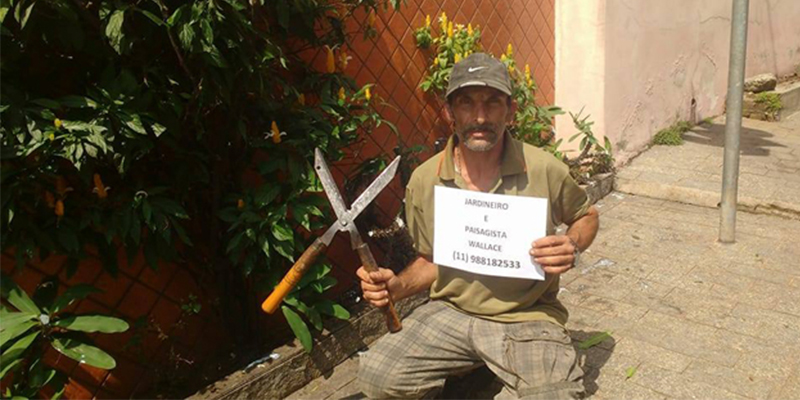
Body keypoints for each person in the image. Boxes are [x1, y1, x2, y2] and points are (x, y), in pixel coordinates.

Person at [356, 52, 600, 400]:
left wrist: (572, 244)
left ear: (510, 111)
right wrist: (398, 286)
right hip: (450, 311)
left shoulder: (543, 168)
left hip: (526, 315)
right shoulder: (425, 179)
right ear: (449, 112)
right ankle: (476, 369)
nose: (480, 116)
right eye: (466, 103)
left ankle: (482, 369)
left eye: (492, 102)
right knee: (377, 378)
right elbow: (432, 259)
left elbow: (586, 216)